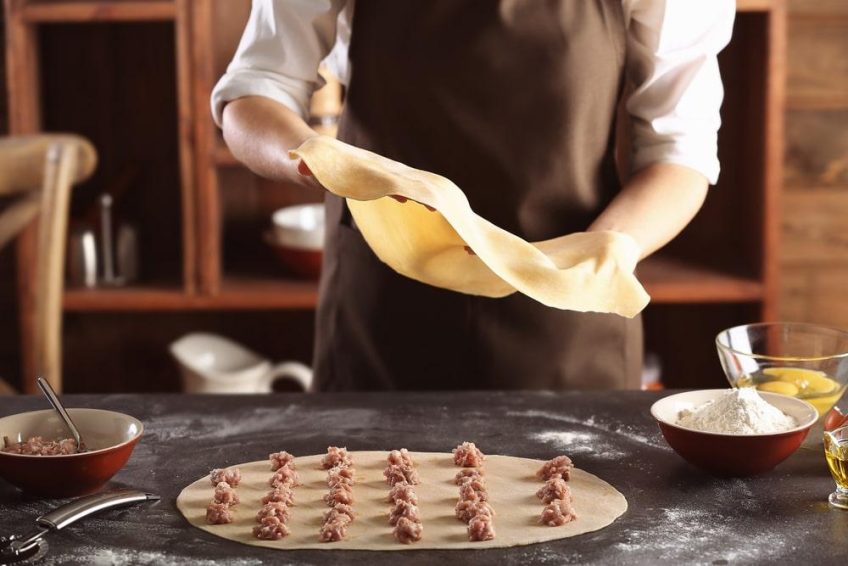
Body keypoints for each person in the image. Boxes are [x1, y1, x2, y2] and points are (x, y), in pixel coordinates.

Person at [212, 1, 736, 392]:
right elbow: (257, 89)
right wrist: (317, 158)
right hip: (385, 306)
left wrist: (608, 249)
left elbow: (679, 152)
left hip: (564, 307)